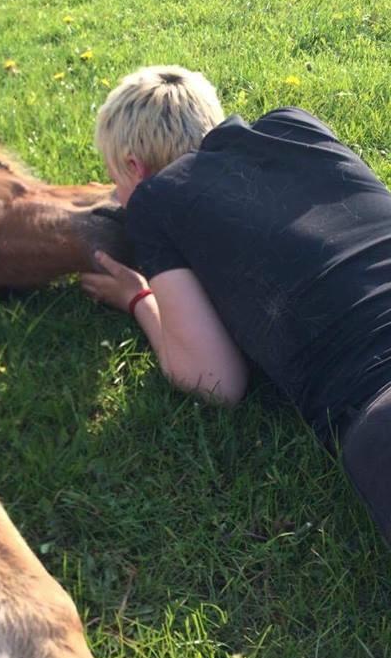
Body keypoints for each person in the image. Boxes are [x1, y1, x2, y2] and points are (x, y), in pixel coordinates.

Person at [80, 65, 391, 539]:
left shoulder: (155, 199)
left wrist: (138, 298)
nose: (119, 200)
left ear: (133, 168)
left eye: (115, 184)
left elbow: (215, 380)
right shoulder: (295, 124)